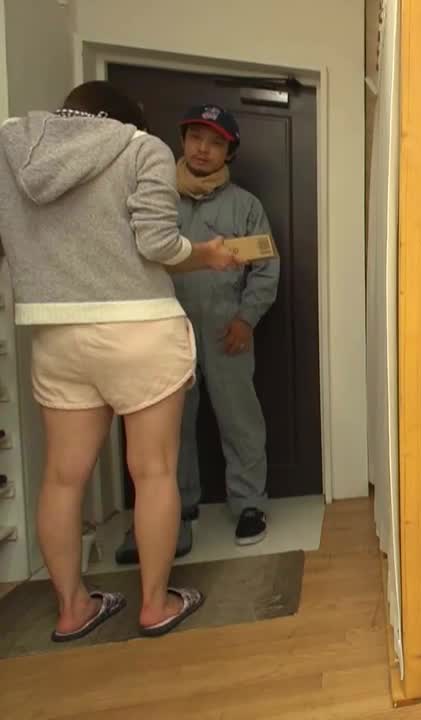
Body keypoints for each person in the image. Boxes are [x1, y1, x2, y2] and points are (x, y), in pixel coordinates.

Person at [0, 81, 241, 640]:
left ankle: (72, 609)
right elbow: (157, 244)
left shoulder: (13, 147)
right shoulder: (139, 146)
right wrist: (204, 254)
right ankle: (155, 605)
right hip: (139, 327)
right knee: (153, 471)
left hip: (56, 334)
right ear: (124, 119)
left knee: (62, 479)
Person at [116, 104, 279, 564]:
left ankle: (249, 505)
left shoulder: (246, 207)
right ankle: (177, 511)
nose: (203, 149)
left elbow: (266, 270)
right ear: (182, 141)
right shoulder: (154, 197)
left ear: (229, 152)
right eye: (195, 138)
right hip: (166, 331)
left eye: (215, 142)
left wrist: (246, 318)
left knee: (240, 418)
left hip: (227, 330)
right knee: (169, 426)